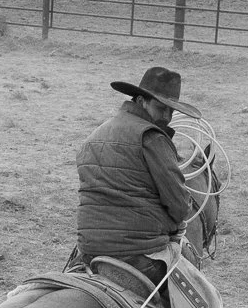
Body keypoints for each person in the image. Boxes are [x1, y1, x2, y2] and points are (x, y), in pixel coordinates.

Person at [73, 65, 203, 286]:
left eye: (171, 111)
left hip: (88, 249)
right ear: (141, 101)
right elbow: (180, 205)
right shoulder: (152, 138)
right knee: (202, 296)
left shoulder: (95, 135)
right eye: (161, 108)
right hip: (138, 254)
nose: (167, 117)